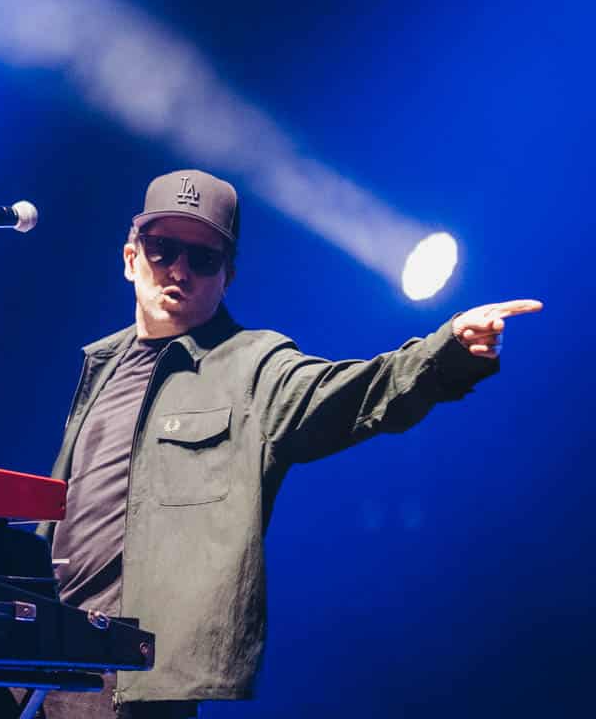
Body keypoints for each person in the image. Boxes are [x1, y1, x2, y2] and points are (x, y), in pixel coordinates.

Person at [43, 169, 542, 719]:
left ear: (227, 276)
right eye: (163, 250)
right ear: (131, 257)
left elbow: (357, 394)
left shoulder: (254, 366)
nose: (179, 270)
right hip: (30, 661)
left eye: (203, 258)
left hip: (123, 677)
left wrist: (446, 351)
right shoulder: (101, 367)